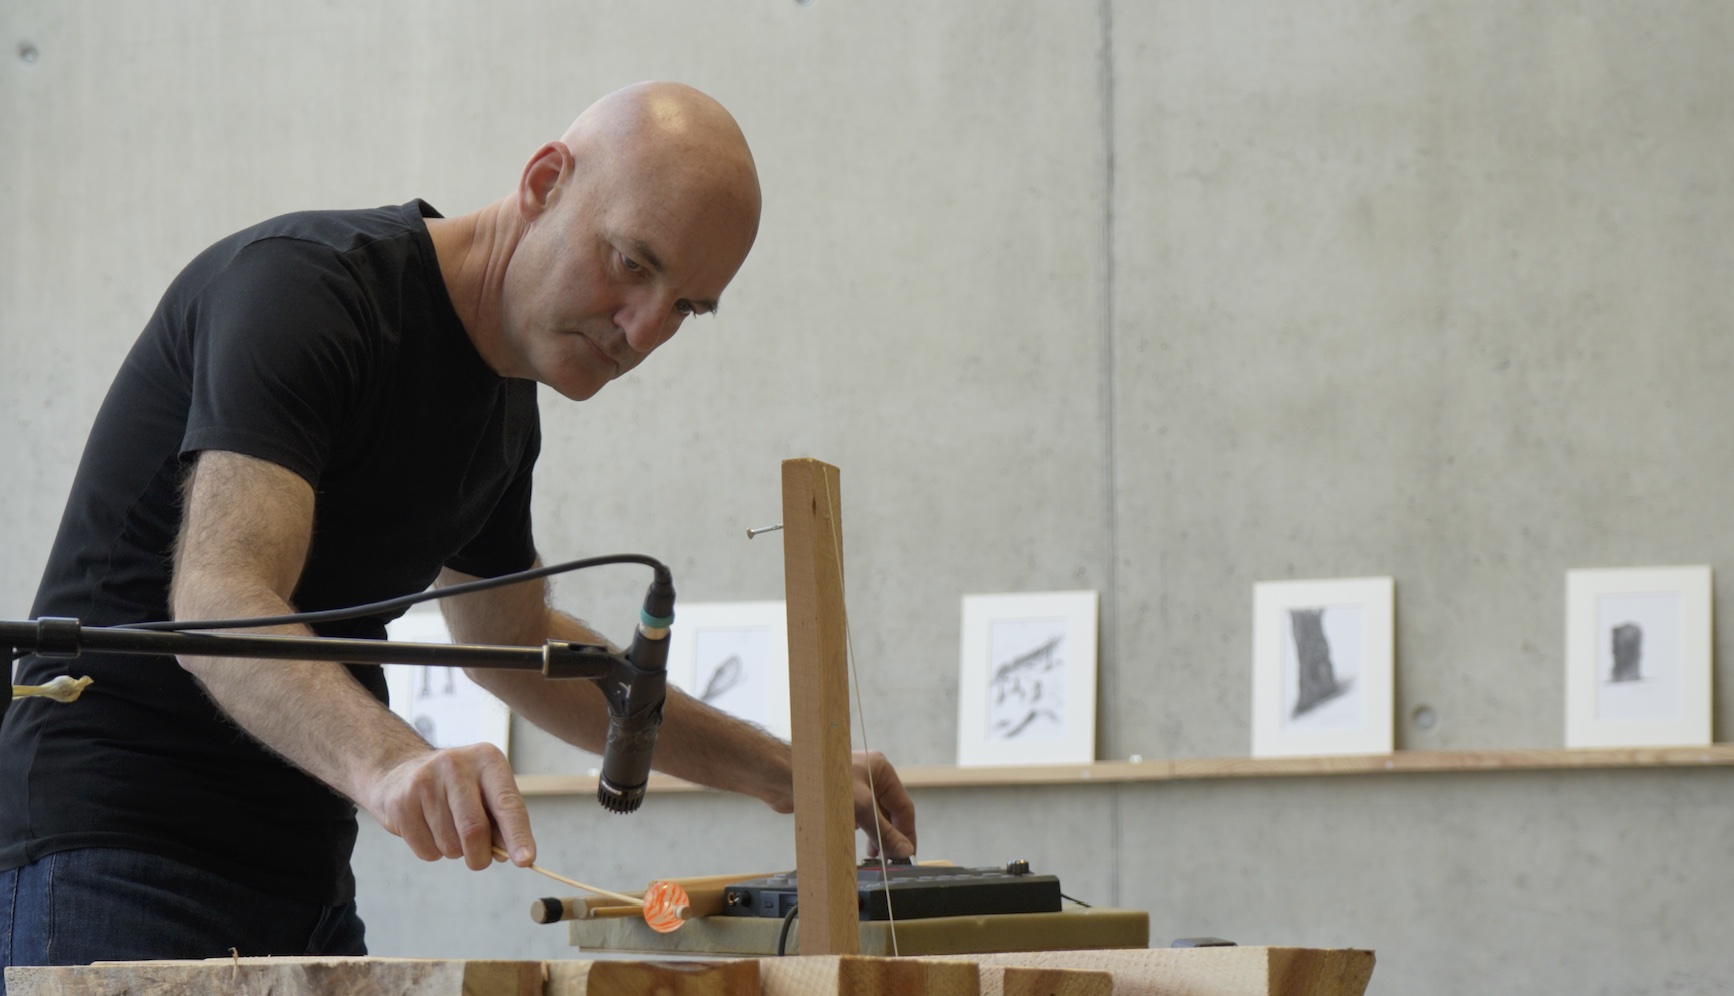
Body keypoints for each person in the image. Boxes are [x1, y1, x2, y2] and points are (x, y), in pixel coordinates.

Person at [0, 81, 917, 976]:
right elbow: (218, 600)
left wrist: (787, 771)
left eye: (685, 307)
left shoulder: (504, 407)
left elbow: (514, 648)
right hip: (110, 848)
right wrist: (396, 764)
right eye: (633, 264)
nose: (643, 331)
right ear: (545, 182)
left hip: (301, 871)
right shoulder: (307, 293)